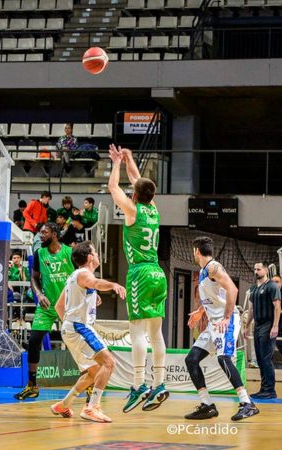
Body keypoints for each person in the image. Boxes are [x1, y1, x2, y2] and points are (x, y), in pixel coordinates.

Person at [107, 144, 169, 412]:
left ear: (136, 195)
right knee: (156, 334)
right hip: (158, 273)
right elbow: (138, 182)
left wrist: (116, 162)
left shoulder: (133, 211)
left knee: (137, 333)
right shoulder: (153, 209)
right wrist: (130, 158)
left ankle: (139, 384)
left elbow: (113, 188)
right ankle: (161, 382)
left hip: (140, 273)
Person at [185, 236, 259, 421]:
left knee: (224, 358)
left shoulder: (213, 267)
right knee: (192, 359)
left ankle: (247, 403)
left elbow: (232, 290)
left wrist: (226, 318)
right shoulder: (205, 271)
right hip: (213, 323)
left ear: (196, 251)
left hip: (226, 320)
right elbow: (218, 295)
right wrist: (201, 311)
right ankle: (207, 405)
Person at [52, 241, 126, 423]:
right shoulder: (85, 274)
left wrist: (69, 326)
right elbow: (96, 282)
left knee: (93, 372)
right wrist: (113, 285)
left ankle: (63, 404)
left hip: (71, 328)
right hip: (79, 327)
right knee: (108, 363)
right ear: (90, 257)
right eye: (96, 252)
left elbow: (59, 306)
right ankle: (92, 407)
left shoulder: (75, 277)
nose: (99, 255)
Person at [15, 222, 75, 400]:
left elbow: (83, 275)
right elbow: (34, 278)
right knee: (34, 341)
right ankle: (32, 385)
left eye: (44, 232)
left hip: (69, 305)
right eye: (40, 233)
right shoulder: (39, 253)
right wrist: (39, 294)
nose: (40, 236)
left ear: (55, 234)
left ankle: (89, 384)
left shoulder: (70, 253)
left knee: (79, 343)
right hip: (47, 306)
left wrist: (91, 292)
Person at [245, 261, 281, 399]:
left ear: (266, 270)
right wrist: (247, 326)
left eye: (259, 269)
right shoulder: (253, 288)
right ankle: (264, 388)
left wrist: (275, 325)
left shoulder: (272, 286)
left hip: (268, 323)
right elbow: (251, 309)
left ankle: (270, 390)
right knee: (260, 359)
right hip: (258, 325)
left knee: (266, 358)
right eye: (255, 269)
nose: (256, 271)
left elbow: (277, 306)